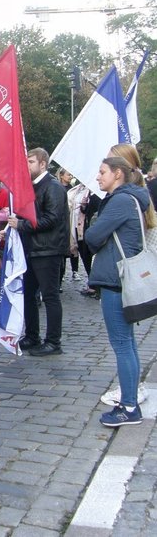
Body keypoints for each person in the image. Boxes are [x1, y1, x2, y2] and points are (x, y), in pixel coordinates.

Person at [84, 156, 151, 427]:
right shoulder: (130, 198)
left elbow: (92, 237)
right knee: (128, 343)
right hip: (120, 277)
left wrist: (94, 225)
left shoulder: (121, 201)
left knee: (122, 344)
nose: (98, 177)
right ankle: (130, 400)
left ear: (118, 174)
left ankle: (129, 407)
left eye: (102, 172)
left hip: (115, 279)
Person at [8, 147, 69, 356]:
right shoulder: (33, 186)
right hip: (33, 249)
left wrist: (22, 225)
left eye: (31, 162)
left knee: (50, 296)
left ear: (43, 164)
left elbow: (51, 219)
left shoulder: (53, 186)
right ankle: (32, 336)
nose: (27, 165)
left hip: (48, 250)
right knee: (28, 294)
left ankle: (53, 341)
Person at [57, 168, 80, 282]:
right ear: (61, 176)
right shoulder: (57, 188)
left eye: (71, 174)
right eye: (68, 174)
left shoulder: (73, 189)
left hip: (72, 218)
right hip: (63, 220)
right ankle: (62, 273)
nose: (70, 176)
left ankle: (75, 271)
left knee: (73, 247)